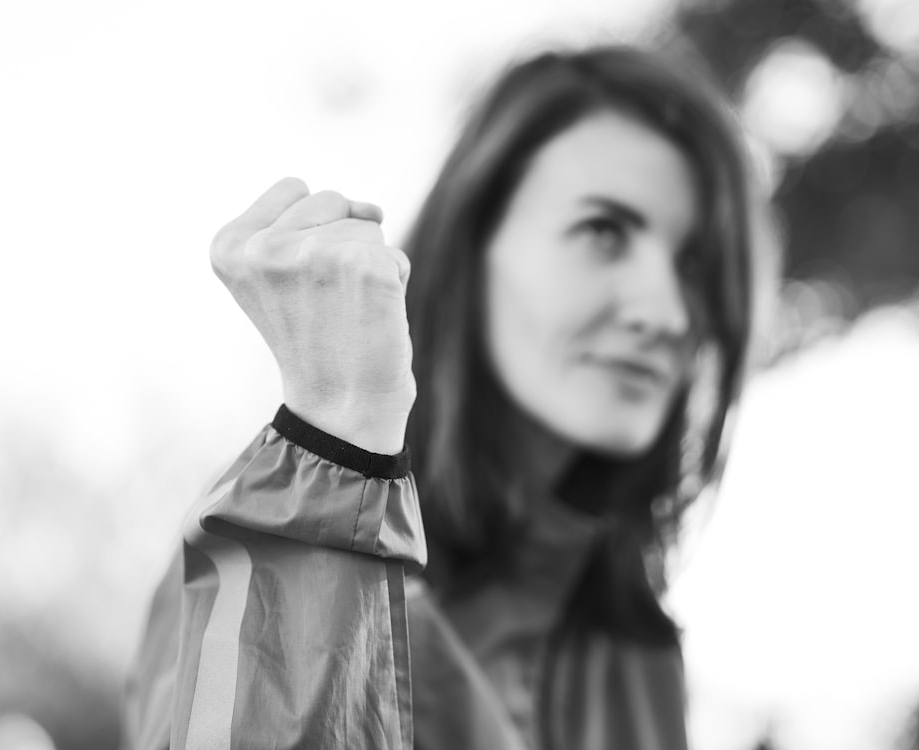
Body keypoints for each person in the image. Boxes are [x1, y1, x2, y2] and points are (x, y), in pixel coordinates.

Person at [121, 44, 766, 750]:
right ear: (472, 246)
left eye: (695, 263)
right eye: (603, 233)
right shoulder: (256, 553)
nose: (669, 314)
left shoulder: (634, 643)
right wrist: (337, 436)